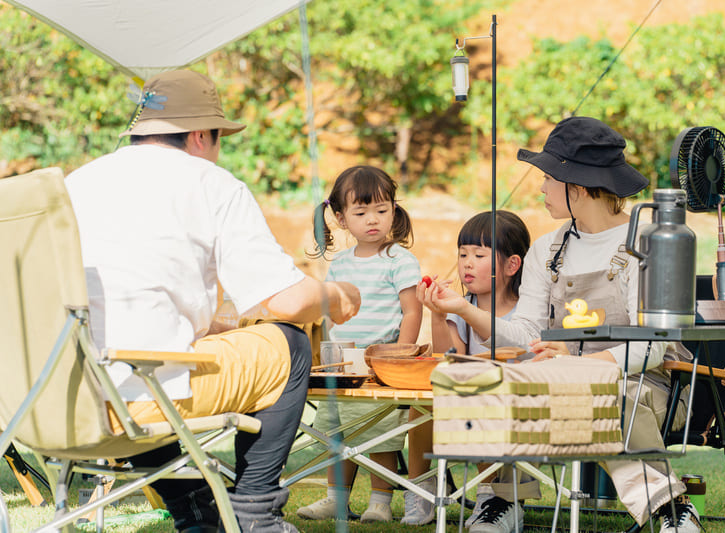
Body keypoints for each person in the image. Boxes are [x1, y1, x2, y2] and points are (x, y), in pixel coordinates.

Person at [65, 69, 361, 533]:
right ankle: (255, 514)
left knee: (149, 376)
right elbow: (285, 301)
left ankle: (199, 515)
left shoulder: (75, 183)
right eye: (219, 136)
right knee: (290, 346)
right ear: (201, 134)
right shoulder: (210, 183)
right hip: (139, 394)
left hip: (58, 396)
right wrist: (340, 296)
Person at [419, 116, 700, 533]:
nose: (541, 188)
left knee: (606, 395)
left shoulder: (647, 243)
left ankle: (670, 507)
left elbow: (652, 346)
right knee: (498, 380)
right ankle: (503, 499)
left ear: (579, 187)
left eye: (548, 178)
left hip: (647, 383)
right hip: (564, 377)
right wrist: (464, 308)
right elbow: (528, 333)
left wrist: (583, 364)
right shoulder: (546, 249)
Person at [297, 165, 423, 523]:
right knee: (336, 432)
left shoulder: (400, 260)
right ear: (340, 218)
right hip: (343, 362)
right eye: (361, 212)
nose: (373, 220)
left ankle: (380, 502)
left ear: (394, 212)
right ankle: (335, 498)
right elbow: (333, 311)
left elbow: (412, 311)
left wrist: (400, 357)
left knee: (380, 434)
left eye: (382, 211)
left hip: (382, 363)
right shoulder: (339, 264)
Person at [403, 210, 530, 526]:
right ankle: (423, 488)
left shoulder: (527, 311)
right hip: (465, 396)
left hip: (512, 402)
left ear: (512, 265)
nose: (467, 263)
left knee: (484, 401)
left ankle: (492, 494)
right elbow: (449, 357)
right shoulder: (462, 309)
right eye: (462, 255)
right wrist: (436, 314)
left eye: (479, 254)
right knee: (422, 407)